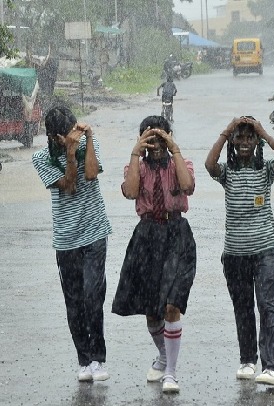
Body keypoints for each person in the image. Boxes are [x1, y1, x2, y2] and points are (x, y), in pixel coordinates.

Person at [204, 116, 274, 388]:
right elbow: (209, 165)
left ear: (256, 142)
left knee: (266, 305)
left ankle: (271, 367)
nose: (244, 142)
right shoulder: (227, 173)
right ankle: (247, 361)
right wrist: (226, 130)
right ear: (233, 142)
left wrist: (264, 133)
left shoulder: (265, 169)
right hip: (234, 254)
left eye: (249, 138)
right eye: (240, 138)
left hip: (265, 251)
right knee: (242, 307)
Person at [112, 116, 196, 394]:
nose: (156, 145)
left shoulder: (181, 163)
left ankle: (171, 372)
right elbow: (130, 192)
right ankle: (163, 354)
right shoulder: (136, 166)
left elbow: (187, 186)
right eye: (150, 139)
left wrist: (175, 149)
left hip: (177, 233)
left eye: (161, 139)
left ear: (169, 138)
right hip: (147, 236)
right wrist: (136, 152)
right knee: (152, 310)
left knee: (172, 304)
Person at [32, 106, 113, 382]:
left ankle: (98, 358)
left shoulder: (90, 144)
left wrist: (87, 140)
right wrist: (68, 154)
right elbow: (69, 185)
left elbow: (90, 175)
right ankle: (84, 359)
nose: (74, 136)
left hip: (94, 231)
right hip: (66, 238)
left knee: (93, 295)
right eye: (69, 134)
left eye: (76, 129)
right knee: (74, 301)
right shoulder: (41, 158)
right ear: (55, 137)